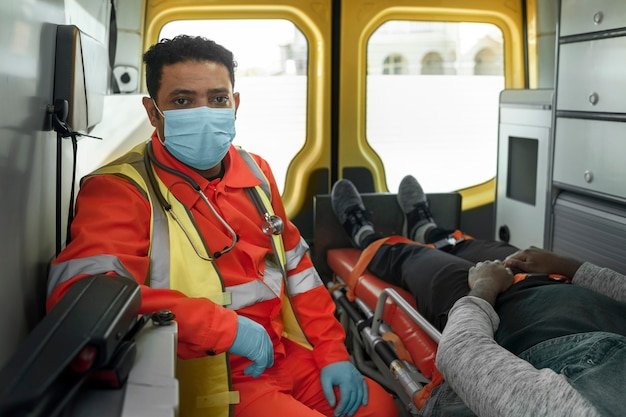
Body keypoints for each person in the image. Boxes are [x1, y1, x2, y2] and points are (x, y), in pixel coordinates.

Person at [46, 35, 397, 417]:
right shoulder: (120, 190)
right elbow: (82, 296)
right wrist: (222, 328)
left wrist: (333, 352)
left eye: (217, 99)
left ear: (235, 104)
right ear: (152, 111)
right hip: (213, 373)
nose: (204, 111)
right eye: (182, 101)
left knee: (380, 408)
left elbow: (299, 271)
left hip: (286, 353)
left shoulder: (257, 173)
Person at [330, 176, 626, 417]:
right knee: (484, 247)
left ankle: (367, 238)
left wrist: (484, 287)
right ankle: (428, 230)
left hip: (499, 318)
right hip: (559, 288)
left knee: (418, 260)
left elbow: (461, 354)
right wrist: (567, 266)